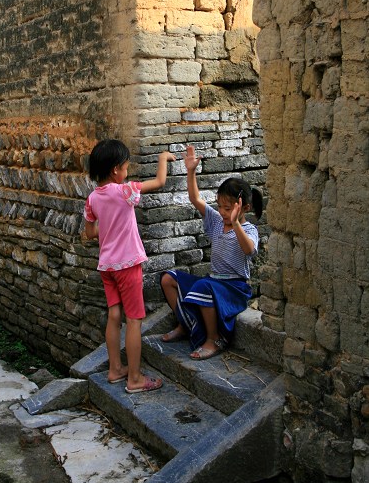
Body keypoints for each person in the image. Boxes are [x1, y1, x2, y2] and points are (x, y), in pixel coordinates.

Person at [84, 139, 175, 393]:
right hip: (127, 264)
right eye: (126, 167)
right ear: (116, 170)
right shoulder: (125, 191)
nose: (127, 171)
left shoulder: (92, 199)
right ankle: (134, 378)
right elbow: (159, 182)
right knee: (134, 320)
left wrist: (108, 226)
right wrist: (162, 159)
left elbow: (90, 233)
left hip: (107, 267)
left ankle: (115, 369)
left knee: (114, 315)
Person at [160, 145, 263, 360]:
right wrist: (190, 171)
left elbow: (249, 250)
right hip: (213, 281)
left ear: (244, 208)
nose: (223, 212)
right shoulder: (216, 220)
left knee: (204, 287)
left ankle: (213, 339)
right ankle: (185, 323)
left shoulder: (249, 230)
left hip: (234, 287)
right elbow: (196, 199)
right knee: (169, 279)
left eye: (228, 208)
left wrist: (235, 224)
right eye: (221, 207)